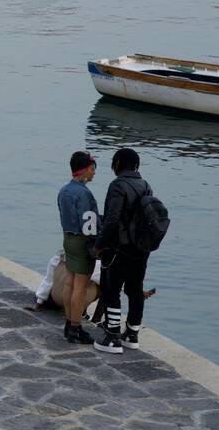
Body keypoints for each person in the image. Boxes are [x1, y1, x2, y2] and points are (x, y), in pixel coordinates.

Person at [93, 147, 153, 354]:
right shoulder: (146, 185)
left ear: (118, 163)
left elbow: (112, 220)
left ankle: (112, 337)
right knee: (135, 290)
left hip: (119, 249)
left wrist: (99, 245)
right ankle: (132, 334)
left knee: (111, 291)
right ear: (136, 165)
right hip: (141, 250)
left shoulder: (118, 185)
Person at [57, 151, 99, 344]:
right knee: (80, 287)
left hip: (67, 238)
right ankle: (75, 327)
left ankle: (68, 323)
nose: (94, 173)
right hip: (82, 242)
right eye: (92, 169)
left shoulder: (63, 190)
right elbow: (89, 225)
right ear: (83, 170)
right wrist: (97, 243)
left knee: (69, 282)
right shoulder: (84, 194)